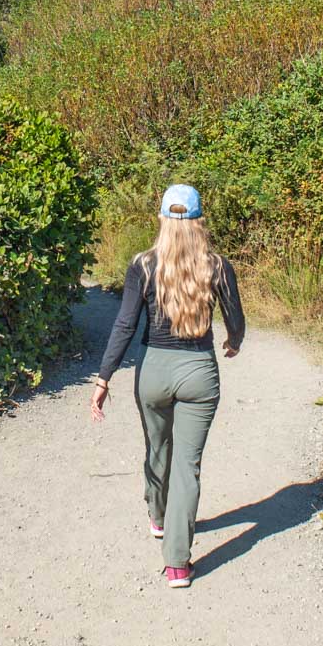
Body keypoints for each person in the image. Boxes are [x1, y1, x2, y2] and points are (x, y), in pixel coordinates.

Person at [90, 183, 245, 588]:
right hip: (199, 371)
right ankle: (177, 563)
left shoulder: (143, 265)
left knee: (158, 448)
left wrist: (104, 377)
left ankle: (158, 517)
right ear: (199, 222)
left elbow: (125, 324)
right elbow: (236, 317)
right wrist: (233, 342)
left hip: (154, 370)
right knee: (187, 467)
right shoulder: (216, 265)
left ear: (162, 218)